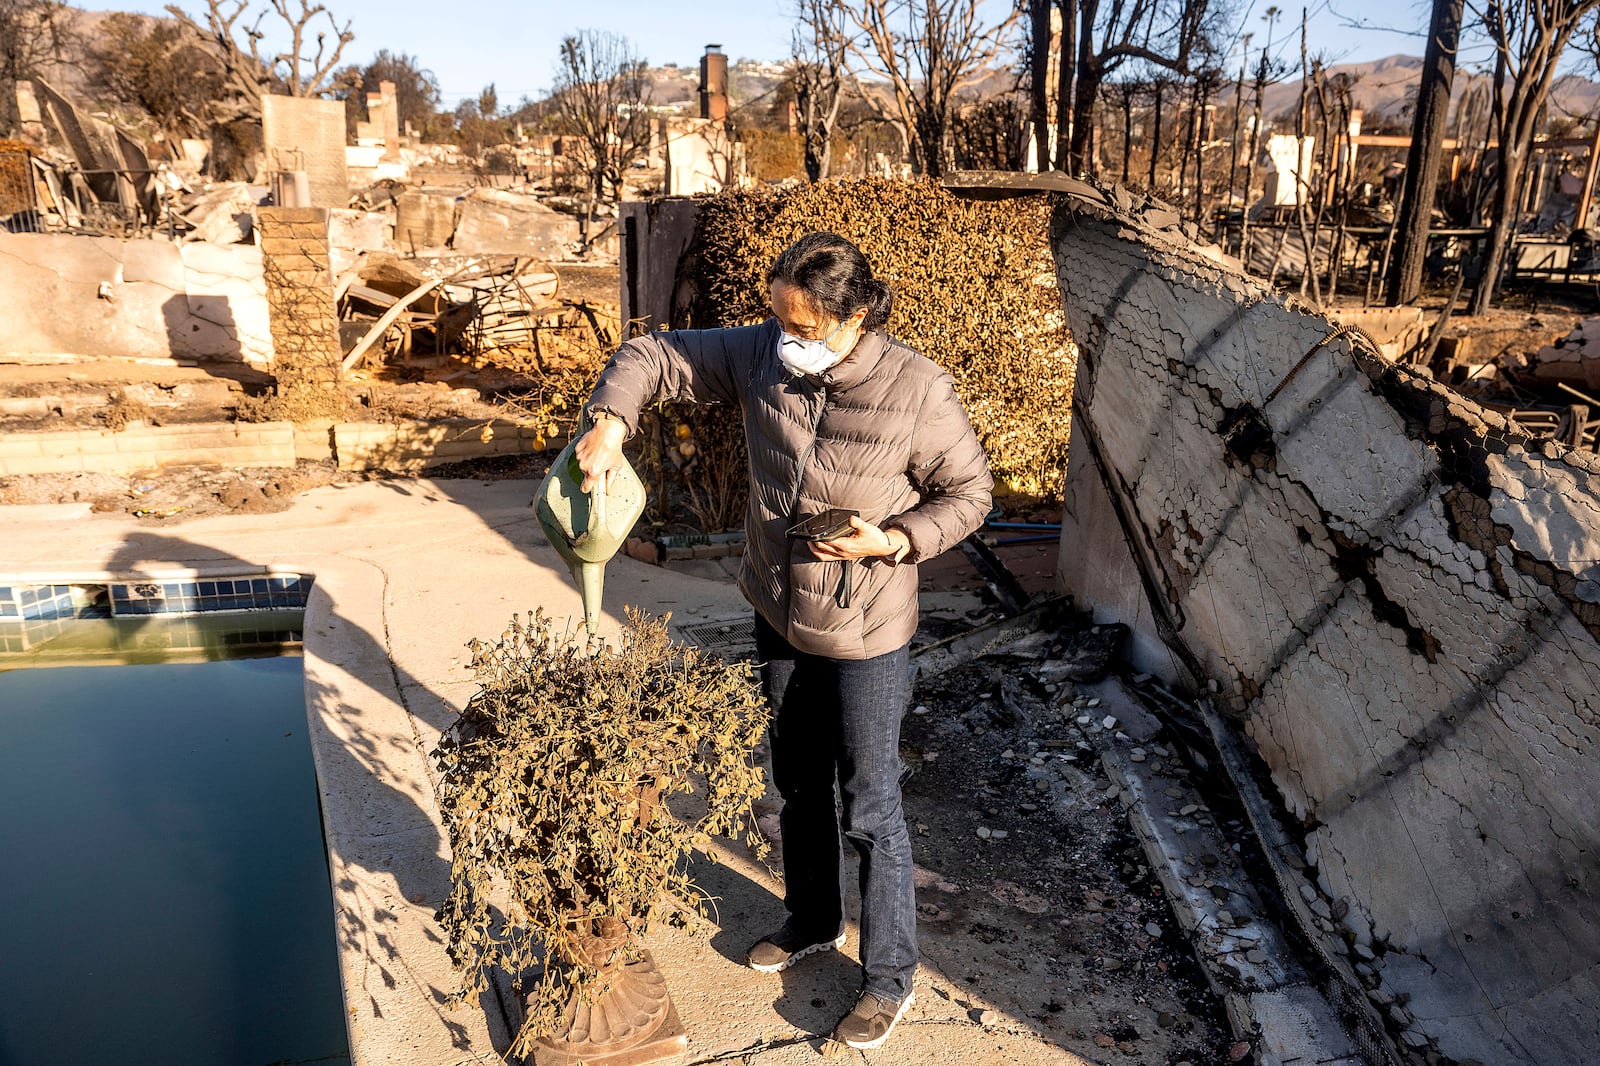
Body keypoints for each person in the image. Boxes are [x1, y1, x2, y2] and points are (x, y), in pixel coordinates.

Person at [573, 231, 992, 1050]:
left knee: (871, 806)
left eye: (804, 325)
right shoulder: (765, 353)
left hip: (867, 623)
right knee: (795, 783)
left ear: (857, 315)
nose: (786, 338)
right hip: (779, 607)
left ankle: (889, 979)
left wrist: (897, 540)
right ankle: (812, 919)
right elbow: (655, 356)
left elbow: (970, 493)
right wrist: (610, 422)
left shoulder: (916, 388)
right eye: (779, 319)